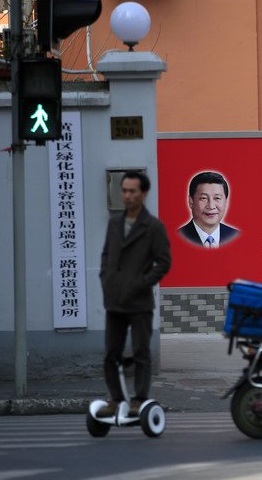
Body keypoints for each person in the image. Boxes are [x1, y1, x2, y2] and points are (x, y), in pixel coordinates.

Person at [97, 171, 172, 418]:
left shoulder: (154, 227)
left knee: (141, 353)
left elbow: (164, 262)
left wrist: (142, 283)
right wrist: (106, 279)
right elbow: (107, 254)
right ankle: (116, 398)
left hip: (139, 302)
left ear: (144, 193)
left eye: (132, 191)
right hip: (115, 300)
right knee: (111, 353)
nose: (127, 196)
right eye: (125, 190)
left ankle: (139, 399)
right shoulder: (114, 223)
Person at [178, 171, 239, 248]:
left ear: (226, 202)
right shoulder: (179, 236)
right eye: (203, 198)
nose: (211, 206)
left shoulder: (235, 235)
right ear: (191, 201)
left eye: (217, 198)